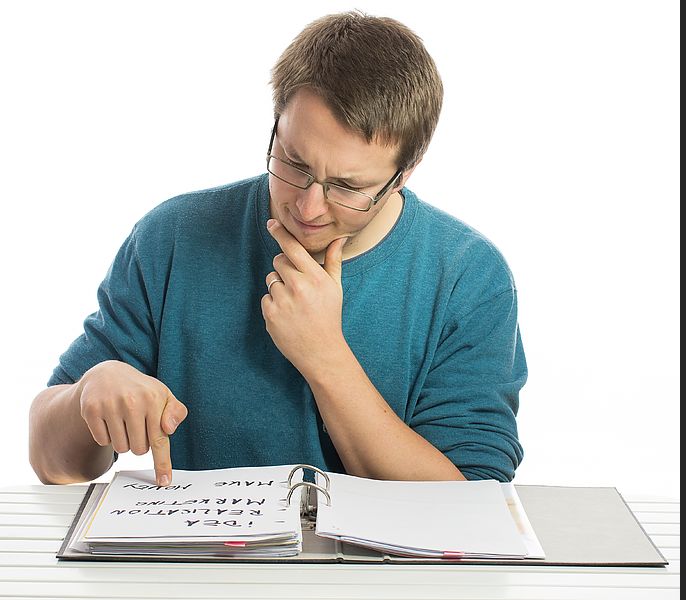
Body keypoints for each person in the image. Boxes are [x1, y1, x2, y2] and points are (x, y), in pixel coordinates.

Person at [28, 11, 526, 488]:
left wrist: (325, 356)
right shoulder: (173, 236)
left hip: (383, 579)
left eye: (348, 186)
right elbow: (51, 462)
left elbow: (471, 504)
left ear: (405, 174)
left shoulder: (468, 276)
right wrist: (89, 391)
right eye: (293, 162)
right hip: (199, 570)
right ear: (276, 123)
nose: (309, 206)